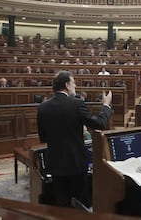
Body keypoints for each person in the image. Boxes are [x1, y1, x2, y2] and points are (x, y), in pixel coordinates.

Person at [37, 71, 113, 208]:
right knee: (82, 205)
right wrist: (106, 106)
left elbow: (43, 138)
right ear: (67, 85)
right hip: (76, 163)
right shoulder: (76, 104)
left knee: (62, 205)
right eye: (73, 83)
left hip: (55, 164)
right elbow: (99, 124)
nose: (75, 85)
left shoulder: (43, 107)